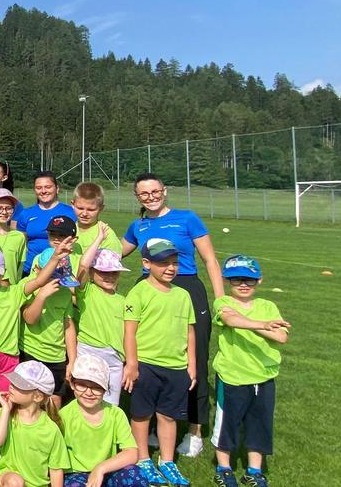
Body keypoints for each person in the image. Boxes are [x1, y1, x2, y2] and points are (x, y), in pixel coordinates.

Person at [121, 172, 225, 458]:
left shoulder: (187, 218)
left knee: (193, 358)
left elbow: (210, 260)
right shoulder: (137, 225)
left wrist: (222, 301)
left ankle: (194, 431)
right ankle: (153, 424)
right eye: (144, 193)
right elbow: (115, 253)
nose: (151, 197)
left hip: (186, 288)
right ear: (137, 197)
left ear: (164, 191)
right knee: (148, 357)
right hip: (150, 290)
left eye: (155, 191)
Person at [121, 239, 197, 487]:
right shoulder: (139, 292)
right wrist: (132, 364)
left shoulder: (183, 295)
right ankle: (143, 459)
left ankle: (167, 461)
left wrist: (191, 365)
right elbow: (129, 331)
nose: (170, 268)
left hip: (176, 367)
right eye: (163, 263)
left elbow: (190, 332)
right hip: (147, 365)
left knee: (168, 415)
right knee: (142, 415)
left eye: (174, 263)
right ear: (146, 263)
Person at [210, 256, 290, 487]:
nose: (243, 285)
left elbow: (282, 337)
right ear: (227, 281)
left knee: (260, 423)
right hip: (233, 376)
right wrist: (262, 325)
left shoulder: (268, 306)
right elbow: (229, 319)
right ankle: (223, 467)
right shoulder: (222, 302)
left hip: (264, 377)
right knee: (228, 423)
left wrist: (262, 325)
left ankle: (254, 471)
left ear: (259, 281)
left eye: (250, 280)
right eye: (237, 280)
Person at [0, 248, 58, 412]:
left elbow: (39, 281)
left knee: (10, 403)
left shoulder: (14, 292)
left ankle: (5, 434)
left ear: (4, 273)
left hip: (9, 359)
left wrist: (56, 257)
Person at [59, 354, 144, 487]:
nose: (88, 392)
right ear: (72, 384)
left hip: (108, 470)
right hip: (75, 474)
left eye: (96, 387)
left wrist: (101, 468)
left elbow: (131, 453)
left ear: (105, 388)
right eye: (82, 385)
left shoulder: (116, 414)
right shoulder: (64, 416)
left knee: (135, 474)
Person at [20, 221, 79, 404]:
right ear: (38, 270)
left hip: (57, 357)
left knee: (54, 404)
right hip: (31, 352)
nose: (57, 281)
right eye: (53, 275)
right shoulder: (30, 287)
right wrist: (42, 296)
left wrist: (72, 359)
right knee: (28, 402)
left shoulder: (64, 293)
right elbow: (29, 319)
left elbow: (68, 327)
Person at [71, 224, 130, 406]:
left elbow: (129, 333)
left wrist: (128, 361)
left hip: (114, 359)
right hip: (89, 351)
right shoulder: (87, 291)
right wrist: (98, 239)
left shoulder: (124, 300)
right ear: (93, 273)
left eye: (114, 272)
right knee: (86, 400)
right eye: (104, 272)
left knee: (111, 404)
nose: (109, 276)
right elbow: (82, 265)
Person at [0, 361, 70, 487]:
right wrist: (5, 408)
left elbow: (56, 469)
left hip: (38, 483)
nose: (11, 386)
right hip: (8, 476)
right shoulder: (7, 415)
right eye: (13, 381)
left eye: (19, 385)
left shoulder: (51, 429)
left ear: (37, 397)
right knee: (15, 482)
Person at [14, 172, 77, 274]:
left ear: (57, 188)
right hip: (32, 269)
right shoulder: (26, 214)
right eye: (39, 188)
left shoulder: (71, 213)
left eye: (48, 187)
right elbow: (21, 244)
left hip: (61, 269)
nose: (43, 191)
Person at [0, 188, 26, 281]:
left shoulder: (19, 237)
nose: (4, 212)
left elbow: (19, 269)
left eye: (9, 208)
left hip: (10, 291)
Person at [71, 182, 121, 257]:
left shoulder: (105, 234)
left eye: (91, 210)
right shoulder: (68, 229)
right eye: (80, 208)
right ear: (72, 204)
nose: (84, 213)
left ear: (101, 208)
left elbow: (111, 267)